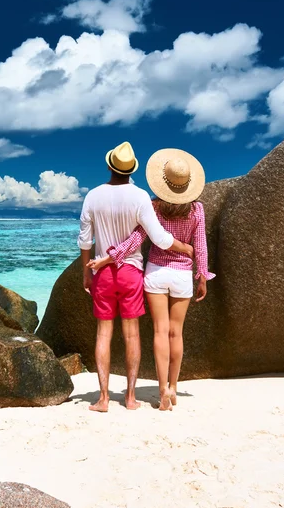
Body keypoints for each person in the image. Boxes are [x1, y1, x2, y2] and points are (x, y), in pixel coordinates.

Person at [88, 148, 215, 411]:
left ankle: (161, 391)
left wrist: (107, 259)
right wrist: (202, 274)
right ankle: (173, 386)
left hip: (156, 271)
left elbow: (137, 238)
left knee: (159, 331)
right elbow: (200, 245)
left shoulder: (154, 206)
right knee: (175, 333)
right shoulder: (197, 209)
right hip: (182, 275)